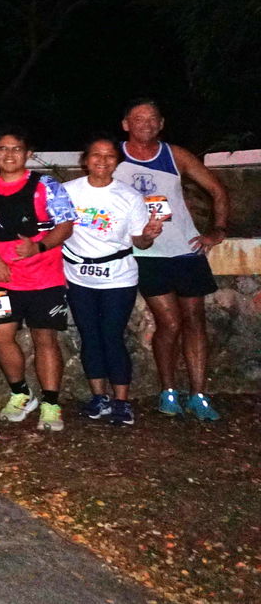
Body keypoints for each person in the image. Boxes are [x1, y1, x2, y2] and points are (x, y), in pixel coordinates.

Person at [113, 99, 230, 421]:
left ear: (161, 123)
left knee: (195, 321)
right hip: (145, 252)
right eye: (138, 119)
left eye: (152, 119)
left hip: (186, 249)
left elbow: (217, 190)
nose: (146, 124)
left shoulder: (175, 155)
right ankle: (168, 390)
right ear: (126, 124)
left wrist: (217, 230)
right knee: (170, 323)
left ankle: (199, 394)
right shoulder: (113, 158)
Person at [0, 127, 76, 432]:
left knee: (45, 339)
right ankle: (21, 393)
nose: (9, 154)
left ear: (28, 154)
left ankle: (51, 403)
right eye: (2, 149)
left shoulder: (47, 186)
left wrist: (38, 246)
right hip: (4, 279)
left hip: (45, 279)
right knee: (0, 336)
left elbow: (66, 224)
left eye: (16, 149)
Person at [68, 137, 161, 425]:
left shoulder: (129, 196)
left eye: (110, 156)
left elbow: (140, 243)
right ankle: (99, 397)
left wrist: (149, 234)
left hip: (118, 277)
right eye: (96, 155)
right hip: (78, 275)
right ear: (85, 160)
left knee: (112, 335)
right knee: (90, 336)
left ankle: (122, 401)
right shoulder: (67, 192)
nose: (103, 161)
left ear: (117, 162)